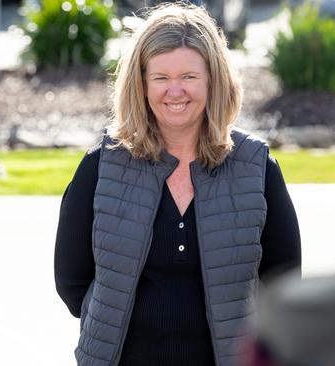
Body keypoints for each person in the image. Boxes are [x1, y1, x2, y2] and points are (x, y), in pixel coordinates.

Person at [54, 3, 301, 366]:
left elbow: (284, 285)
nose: (175, 91)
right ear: (141, 84)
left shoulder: (256, 167)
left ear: (213, 81)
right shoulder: (102, 166)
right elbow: (72, 280)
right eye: (160, 77)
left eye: (189, 76)